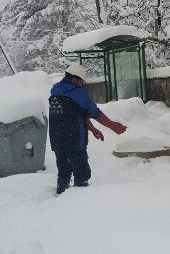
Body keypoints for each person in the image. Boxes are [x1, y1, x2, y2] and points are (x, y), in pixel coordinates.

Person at [48, 63, 127, 195]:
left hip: (57, 140)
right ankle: (82, 200)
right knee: (81, 172)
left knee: (63, 170)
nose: (81, 84)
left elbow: (73, 114)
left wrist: (92, 129)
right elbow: (94, 112)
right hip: (74, 140)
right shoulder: (76, 93)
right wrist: (113, 126)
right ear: (74, 78)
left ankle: (61, 197)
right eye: (81, 81)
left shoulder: (55, 91)